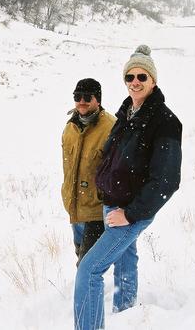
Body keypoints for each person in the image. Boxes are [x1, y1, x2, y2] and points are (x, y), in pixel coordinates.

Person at [74, 45, 182, 330]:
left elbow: (167, 181)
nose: (135, 82)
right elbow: (113, 155)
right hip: (113, 202)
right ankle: (125, 312)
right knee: (125, 256)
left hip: (130, 211)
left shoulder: (166, 121)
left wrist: (131, 214)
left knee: (89, 270)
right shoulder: (127, 112)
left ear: (153, 81)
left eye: (142, 77)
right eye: (130, 77)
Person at [62, 78, 117, 262]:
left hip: (96, 210)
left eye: (87, 96)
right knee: (80, 255)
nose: (81, 101)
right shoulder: (70, 127)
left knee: (88, 265)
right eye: (78, 96)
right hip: (74, 207)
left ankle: (88, 291)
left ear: (98, 100)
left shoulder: (111, 127)